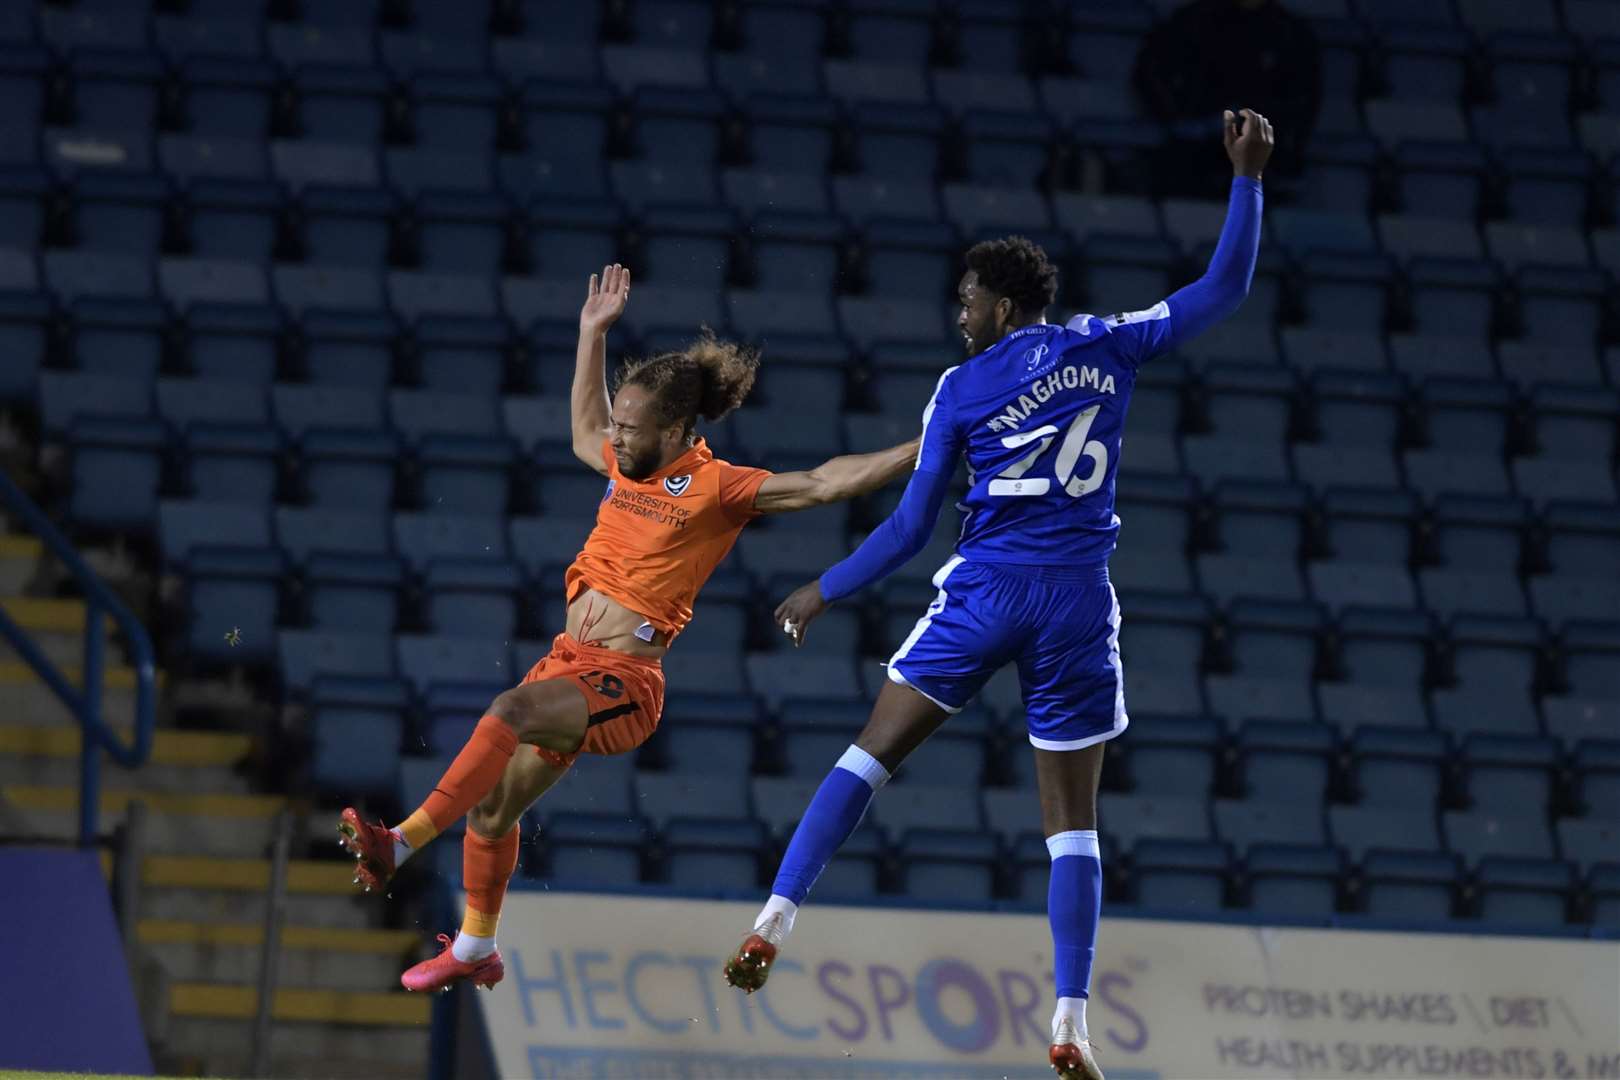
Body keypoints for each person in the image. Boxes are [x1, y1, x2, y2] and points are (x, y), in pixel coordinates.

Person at [724, 111, 1274, 1080]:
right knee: (1071, 825)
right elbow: (1225, 286)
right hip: (1074, 605)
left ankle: (775, 917)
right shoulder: (1110, 345)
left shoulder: (960, 388)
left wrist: (826, 587)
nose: (961, 313)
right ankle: (1070, 1022)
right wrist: (1247, 178)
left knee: (869, 755)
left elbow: (907, 528)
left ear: (1004, 305)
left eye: (969, 298)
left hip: (985, 591)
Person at [337, 264, 920, 993]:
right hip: (568, 662)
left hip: (626, 683)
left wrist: (925, 445)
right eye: (621, 421)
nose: (618, 434)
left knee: (507, 712)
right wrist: (591, 335)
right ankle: (475, 949)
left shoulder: (718, 488)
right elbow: (584, 425)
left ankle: (398, 842)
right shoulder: (624, 459)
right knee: (492, 811)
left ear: (676, 430)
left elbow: (826, 480)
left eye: (634, 428)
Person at [1134, 0, 1316, 194]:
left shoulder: (1290, 32)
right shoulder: (1193, 21)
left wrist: (1284, 138)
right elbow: (1149, 73)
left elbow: (1305, 98)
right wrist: (1178, 119)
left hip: (1264, 161)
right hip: (1193, 153)